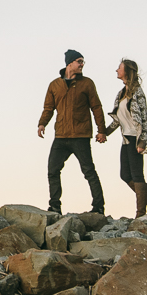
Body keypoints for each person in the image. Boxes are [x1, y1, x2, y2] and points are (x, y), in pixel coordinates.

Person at [37, 49, 107, 215]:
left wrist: (101, 130)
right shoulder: (54, 85)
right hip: (61, 136)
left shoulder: (87, 83)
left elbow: (96, 107)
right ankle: (55, 206)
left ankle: (98, 207)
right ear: (69, 63)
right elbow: (48, 108)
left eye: (83, 62)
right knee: (52, 170)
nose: (82, 65)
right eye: (79, 61)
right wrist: (42, 124)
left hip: (80, 136)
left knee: (89, 171)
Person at [102, 59, 147, 218]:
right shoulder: (121, 93)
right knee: (125, 175)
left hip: (135, 138)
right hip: (125, 139)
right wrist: (104, 132)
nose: (116, 70)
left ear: (127, 71)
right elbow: (117, 120)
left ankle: (141, 214)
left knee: (137, 176)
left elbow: (144, 118)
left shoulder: (137, 92)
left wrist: (142, 142)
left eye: (119, 68)